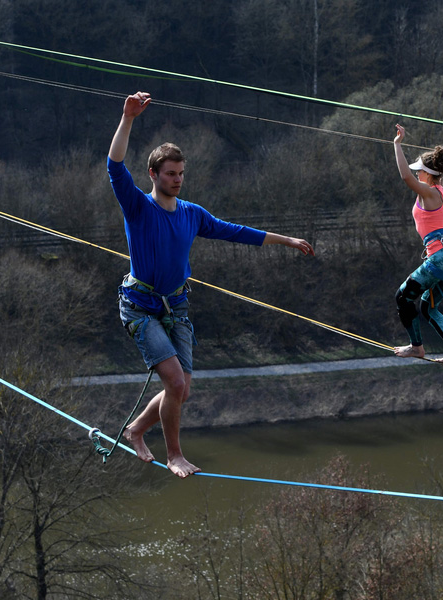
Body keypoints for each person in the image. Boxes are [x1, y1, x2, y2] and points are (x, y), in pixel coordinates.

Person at [109, 91, 314, 478]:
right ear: (153, 174)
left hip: (177, 306)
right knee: (173, 380)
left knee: (182, 388)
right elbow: (114, 164)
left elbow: (236, 232)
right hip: (140, 305)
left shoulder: (192, 213)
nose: (178, 180)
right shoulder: (137, 206)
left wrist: (284, 240)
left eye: (182, 174)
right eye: (170, 174)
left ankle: (136, 429)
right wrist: (128, 118)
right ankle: (174, 455)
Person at [391, 123, 443, 367]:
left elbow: (404, 176)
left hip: (441, 256)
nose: (415, 175)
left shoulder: (429, 192)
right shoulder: (442, 193)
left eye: (419, 172)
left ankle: (416, 348)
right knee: (428, 306)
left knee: (403, 297)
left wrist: (397, 144)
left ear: (427, 173)